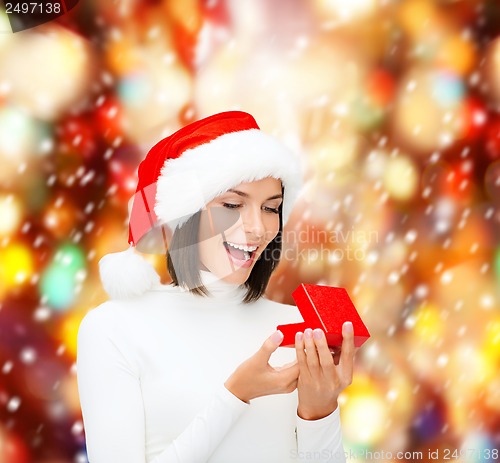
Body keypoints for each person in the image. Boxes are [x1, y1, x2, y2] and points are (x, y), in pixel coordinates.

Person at [76, 111, 355, 463]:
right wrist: (235, 395)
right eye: (233, 205)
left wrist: (320, 411)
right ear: (187, 213)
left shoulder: (299, 329)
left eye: (272, 208)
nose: (257, 228)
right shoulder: (115, 328)